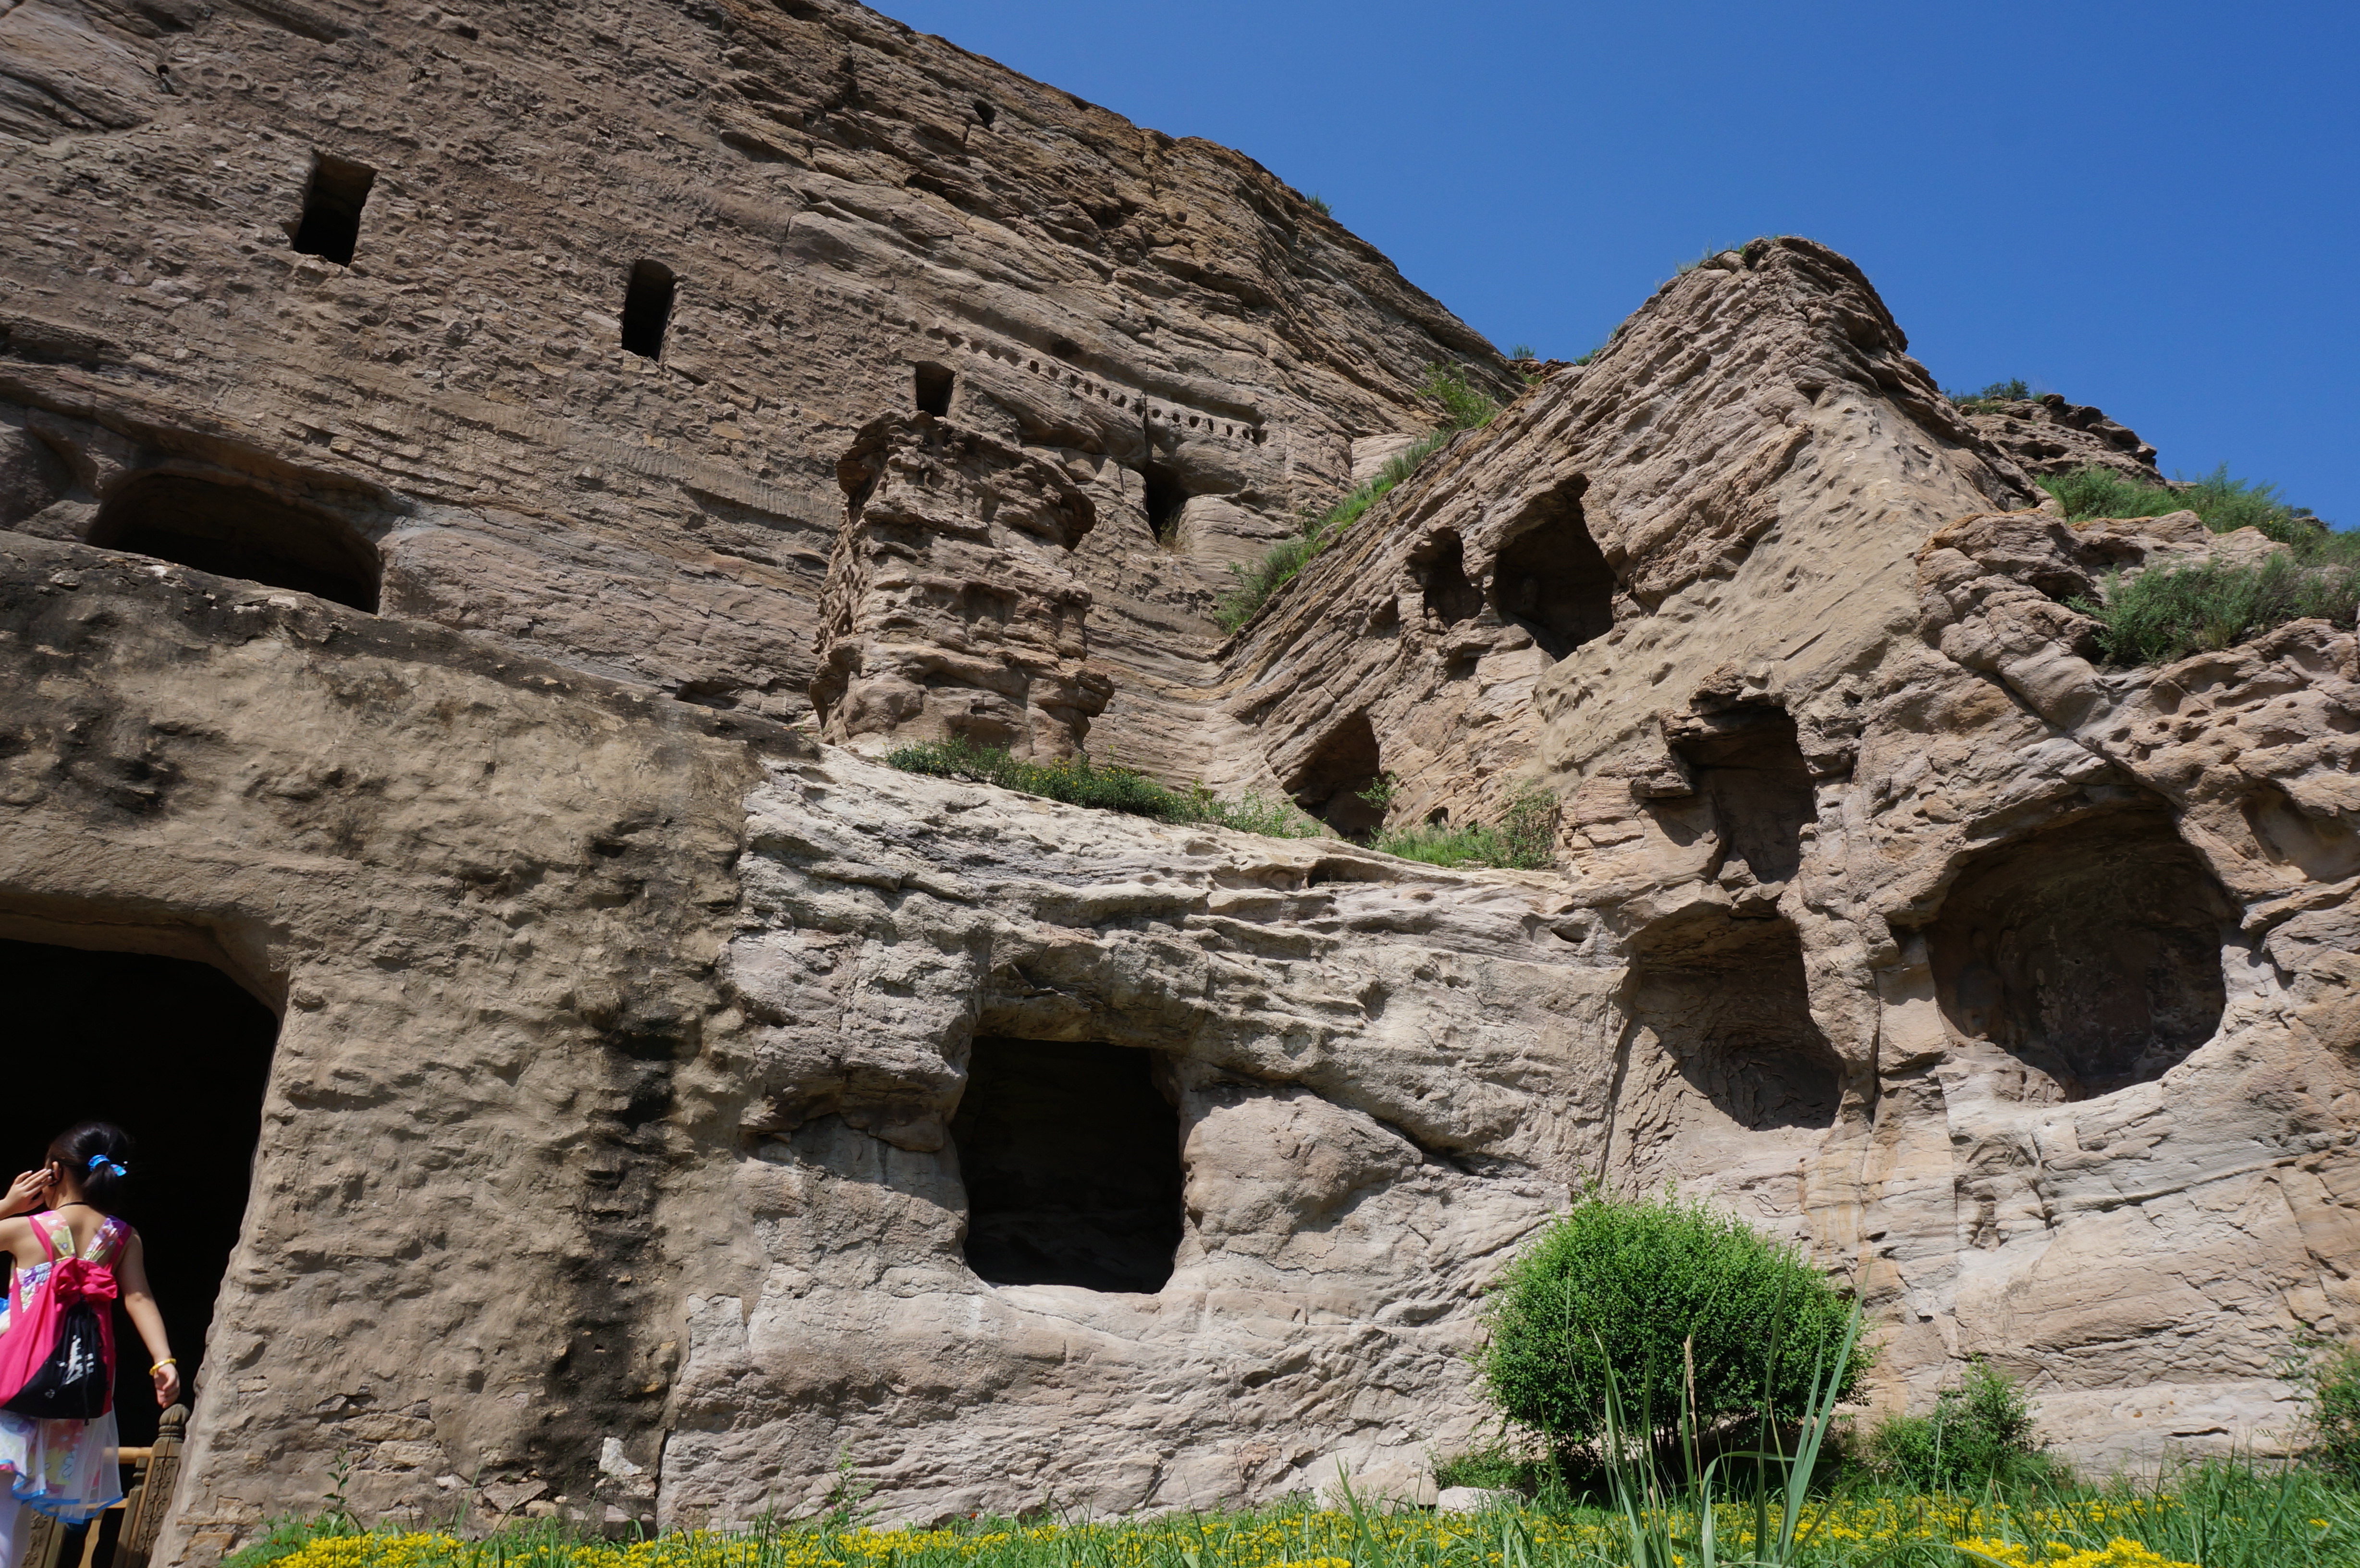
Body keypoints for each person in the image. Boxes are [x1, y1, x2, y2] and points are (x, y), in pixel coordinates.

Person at [0, 1125, 177, 1568]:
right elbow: (139, 1297)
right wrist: (164, 1360)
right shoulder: (121, 1237)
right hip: (73, 1388)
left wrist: (6, 1206)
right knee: (18, 1503)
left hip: (12, 1378)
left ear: (53, 1171)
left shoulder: (23, 1230)